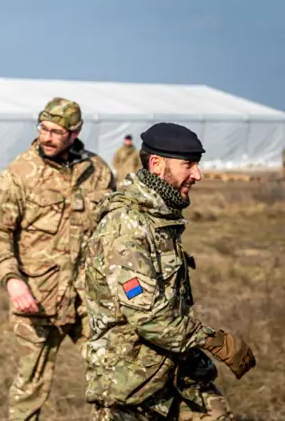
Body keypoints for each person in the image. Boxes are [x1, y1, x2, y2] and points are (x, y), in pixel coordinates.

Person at [82, 122, 256, 420]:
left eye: (197, 164)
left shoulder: (159, 217)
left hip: (175, 372)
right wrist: (216, 341)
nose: (197, 175)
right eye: (188, 165)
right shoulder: (126, 226)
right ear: (157, 164)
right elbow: (148, 317)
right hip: (132, 388)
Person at [0, 97, 116, 421]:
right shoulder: (20, 173)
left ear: (75, 132)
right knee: (30, 388)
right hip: (37, 299)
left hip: (88, 300)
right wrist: (14, 283)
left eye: (57, 131)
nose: (47, 137)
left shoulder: (97, 171)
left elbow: (114, 231)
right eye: (43, 128)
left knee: (113, 377)